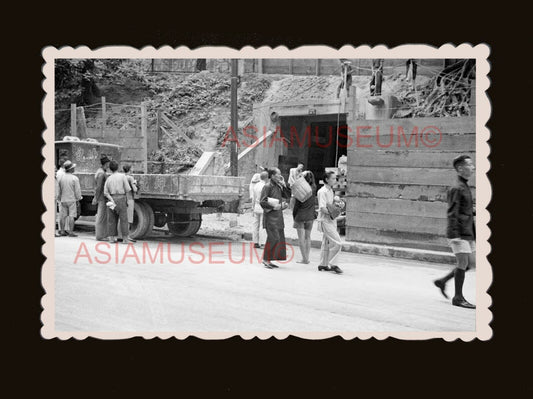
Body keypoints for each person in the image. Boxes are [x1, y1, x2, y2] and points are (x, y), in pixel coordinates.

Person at [433, 155, 476, 309]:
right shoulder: (456, 188)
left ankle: (442, 281)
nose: (473, 167)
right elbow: (452, 213)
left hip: (468, 231)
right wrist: (454, 235)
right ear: (460, 169)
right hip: (459, 234)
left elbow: (464, 210)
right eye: (470, 165)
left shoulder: (464, 186)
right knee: (463, 263)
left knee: (471, 263)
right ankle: (458, 298)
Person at [260, 167, 291, 268]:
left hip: (278, 216)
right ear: (272, 176)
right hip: (270, 216)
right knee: (274, 238)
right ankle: (265, 259)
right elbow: (262, 201)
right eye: (278, 174)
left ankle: (269, 259)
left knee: (278, 239)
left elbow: (287, 195)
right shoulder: (267, 186)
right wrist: (273, 206)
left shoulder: (278, 186)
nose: (280, 176)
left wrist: (284, 184)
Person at [316, 171, 343, 274]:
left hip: (331, 220)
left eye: (335, 178)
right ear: (327, 179)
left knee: (326, 243)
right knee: (337, 242)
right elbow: (322, 208)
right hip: (325, 220)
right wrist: (333, 214)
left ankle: (323, 264)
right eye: (333, 178)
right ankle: (334, 264)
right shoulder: (322, 191)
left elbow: (331, 205)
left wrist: (337, 206)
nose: (335, 180)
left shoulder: (331, 191)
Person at [104, 160, 132, 244]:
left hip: (111, 199)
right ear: (118, 167)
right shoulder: (122, 176)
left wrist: (111, 199)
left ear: (110, 169)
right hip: (121, 198)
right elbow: (127, 189)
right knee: (123, 219)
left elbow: (105, 192)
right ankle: (125, 239)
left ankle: (111, 238)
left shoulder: (109, 178)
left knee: (111, 219)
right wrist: (127, 200)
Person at [293, 171, 317, 264]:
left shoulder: (300, 190)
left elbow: (296, 206)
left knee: (301, 238)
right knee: (308, 237)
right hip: (310, 215)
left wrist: (294, 216)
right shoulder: (313, 188)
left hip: (300, 215)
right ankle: (307, 257)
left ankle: (304, 259)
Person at [57, 160, 82, 237]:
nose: (74, 169)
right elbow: (77, 191)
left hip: (63, 199)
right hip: (72, 199)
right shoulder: (74, 178)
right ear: (70, 169)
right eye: (73, 167)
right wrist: (78, 199)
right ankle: (71, 232)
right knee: (72, 215)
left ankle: (62, 231)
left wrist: (59, 198)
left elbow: (59, 189)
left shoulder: (61, 178)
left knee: (62, 216)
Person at [92, 155, 110, 241]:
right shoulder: (101, 173)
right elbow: (99, 187)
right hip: (102, 198)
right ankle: (99, 236)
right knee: (101, 217)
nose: (109, 165)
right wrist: (96, 197)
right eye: (108, 163)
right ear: (106, 164)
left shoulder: (101, 172)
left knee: (103, 217)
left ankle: (103, 235)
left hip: (102, 197)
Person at [251, 171, 268, 248]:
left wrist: (252, 207)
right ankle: (262, 243)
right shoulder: (265, 186)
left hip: (256, 206)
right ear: (266, 178)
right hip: (262, 207)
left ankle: (255, 242)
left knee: (255, 224)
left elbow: (253, 198)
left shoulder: (256, 185)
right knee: (262, 225)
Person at [123, 164, 138, 242]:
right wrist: (135, 183)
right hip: (129, 199)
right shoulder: (130, 178)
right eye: (132, 167)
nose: (133, 168)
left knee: (123, 218)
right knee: (129, 219)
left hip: (123, 198)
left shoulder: (122, 177)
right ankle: (127, 236)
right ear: (129, 169)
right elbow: (134, 189)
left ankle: (121, 235)